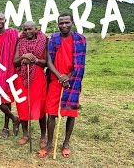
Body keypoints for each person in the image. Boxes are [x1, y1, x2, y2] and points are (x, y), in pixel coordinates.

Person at [38, 13, 86, 158]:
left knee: (71, 113)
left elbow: (80, 63)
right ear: (58, 24)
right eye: (61, 23)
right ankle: (50, 143)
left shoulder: (80, 39)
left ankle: (66, 143)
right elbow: (48, 61)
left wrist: (68, 77)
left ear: (72, 22)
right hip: (55, 80)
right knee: (51, 113)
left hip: (73, 82)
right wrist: (60, 76)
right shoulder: (54, 39)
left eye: (67, 22)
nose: (64, 25)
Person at [13, 21, 47, 147]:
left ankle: (43, 136)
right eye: (25, 29)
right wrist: (23, 57)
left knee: (40, 106)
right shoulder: (20, 42)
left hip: (38, 78)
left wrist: (35, 59)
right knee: (23, 106)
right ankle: (25, 134)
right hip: (22, 78)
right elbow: (15, 62)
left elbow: (47, 63)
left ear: (36, 29)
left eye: (30, 29)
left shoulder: (44, 41)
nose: (28, 32)